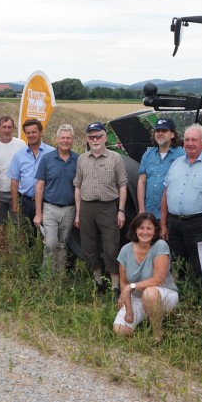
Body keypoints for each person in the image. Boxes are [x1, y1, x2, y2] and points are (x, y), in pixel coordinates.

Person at [160, 123, 202, 281]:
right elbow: (165, 194)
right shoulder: (176, 163)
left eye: (194, 140)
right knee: (178, 263)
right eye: (187, 139)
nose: (190, 143)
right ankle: (179, 296)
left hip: (201, 224)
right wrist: (163, 224)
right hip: (175, 224)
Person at [73, 122, 128, 292]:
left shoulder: (116, 158)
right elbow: (78, 186)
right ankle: (98, 283)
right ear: (87, 139)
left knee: (111, 248)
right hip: (87, 208)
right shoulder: (82, 159)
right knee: (89, 247)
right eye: (91, 137)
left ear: (105, 138)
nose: (95, 140)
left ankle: (115, 286)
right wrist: (78, 213)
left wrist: (121, 210)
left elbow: (123, 185)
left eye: (98, 136)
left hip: (108, 208)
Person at [113, 212, 179, 344]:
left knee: (150, 292)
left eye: (149, 228)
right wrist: (129, 310)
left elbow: (158, 280)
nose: (145, 232)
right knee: (120, 330)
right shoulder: (125, 250)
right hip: (137, 296)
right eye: (141, 228)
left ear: (155, 230)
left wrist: (130, 287)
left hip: (162, 294)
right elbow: (123, 282)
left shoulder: (160, 245)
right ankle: (145, 319)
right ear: (135, 229)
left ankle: (158, 335)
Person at [33, 124, 78, 270]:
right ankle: (47, 276)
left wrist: (78, 213)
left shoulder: (78, 160)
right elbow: (39, 186)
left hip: (69, 209)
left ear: (72, 140)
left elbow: (80, 188)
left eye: (68, 138)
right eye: (63, 138)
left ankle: (58, 276)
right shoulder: (47, 159)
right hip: (50, 208)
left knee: (62, 244)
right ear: (57, 139)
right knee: (50, 243)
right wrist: (38, 214)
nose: (65, 141)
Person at [8, 119, 55, 232]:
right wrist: (15, 203)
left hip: (47, 202)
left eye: (34, 132)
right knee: (28, 236)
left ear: (40, 132)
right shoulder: (19, 155)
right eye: (28, 133)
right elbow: (14, 181)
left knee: (49, 236)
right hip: (26, 202)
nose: (31, 135)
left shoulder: (52, 153)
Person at [137, 118, 184, 219]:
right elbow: (142, 182)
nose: (160, 133)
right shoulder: (148, 154)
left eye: (164, 131)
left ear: (172, 134)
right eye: (157, 131)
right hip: (149, 212)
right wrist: (141, 209)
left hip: (170, 214)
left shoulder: (181, 155)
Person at [0, 115, 25, 226]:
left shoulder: (20, 144)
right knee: (0, 225)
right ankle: (2, 244)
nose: (7, 130)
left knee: (20, 224)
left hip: (17, 193)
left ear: (13, 129)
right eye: (4, 127)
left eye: (9, 127)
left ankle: (20, 244)